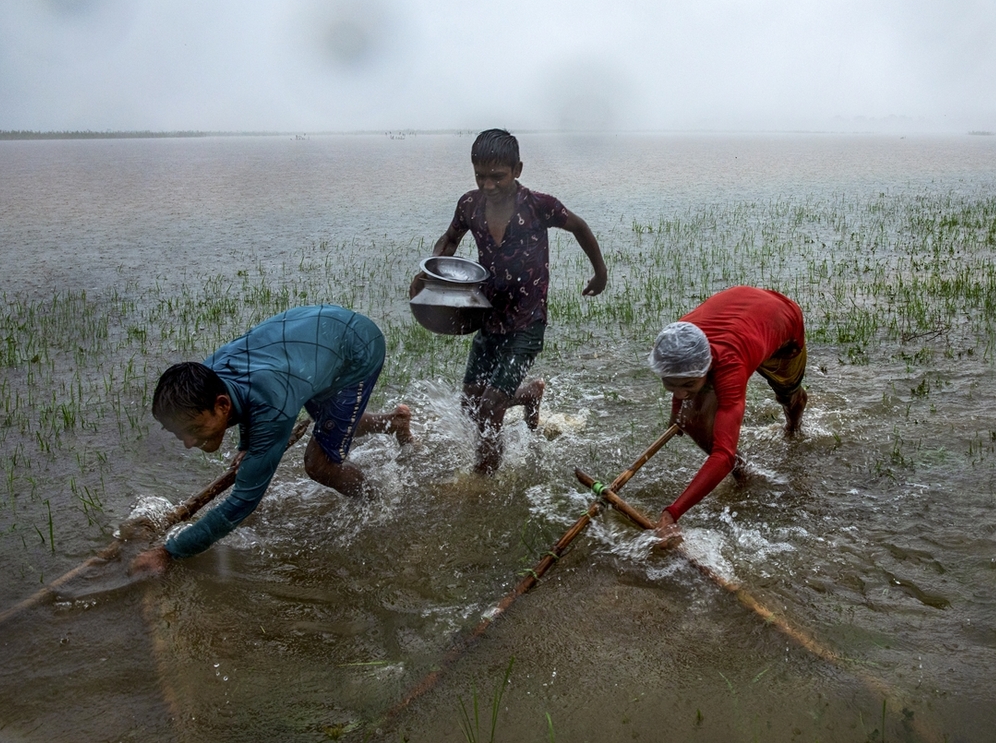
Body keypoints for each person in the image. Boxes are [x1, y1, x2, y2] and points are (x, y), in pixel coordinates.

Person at [130, 305, 413, 574]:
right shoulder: (205, 379)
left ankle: (377, 499)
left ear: (221, 406)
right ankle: (395, 423)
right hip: (310, 340)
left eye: (192, 429)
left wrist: (169, 552)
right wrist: (246, 445)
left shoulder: (272, 405)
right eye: (178, 433)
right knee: (330, 420)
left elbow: (242, 502)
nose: (188, 443)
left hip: (355, 347)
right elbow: (244, 394)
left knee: (319, 464)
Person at [410, 129, 608, 474]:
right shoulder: (469, 205)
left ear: (517, 169)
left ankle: (483, 478)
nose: (488, 185)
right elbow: (450, 240)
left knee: (488, 408)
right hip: (488, 315)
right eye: (480, 176)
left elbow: (579, 226)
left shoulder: (538, 205)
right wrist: (429, 272)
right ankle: (529, 395)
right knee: (471, 404)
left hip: (527, 323)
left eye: (497, 176)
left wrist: (600, 273)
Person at [647, 286, 808, 546]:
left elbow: (722, 453)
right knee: (692, 420)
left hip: (782, 321)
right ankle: (742, 471)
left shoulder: (729, 365)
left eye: (687, 385)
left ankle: (793, 427)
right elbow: (680, 380)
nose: (679, 393)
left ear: (708, 366)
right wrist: (678, 415)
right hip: (741, 310)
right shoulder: (676, 339)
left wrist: (673, 512)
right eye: (670, 384)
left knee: (787, 396)